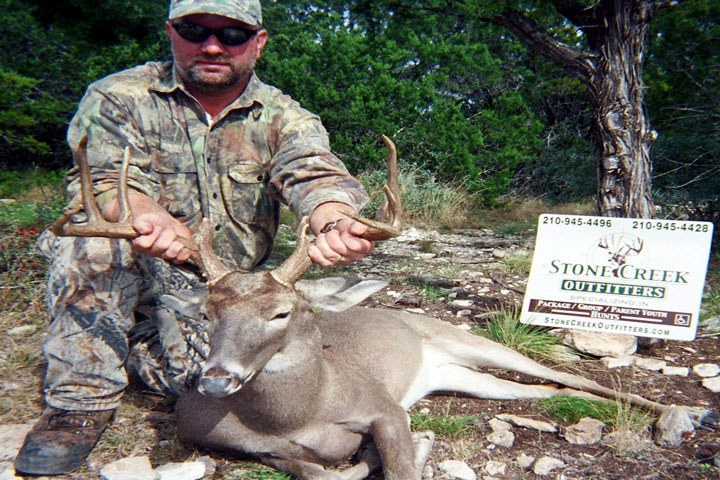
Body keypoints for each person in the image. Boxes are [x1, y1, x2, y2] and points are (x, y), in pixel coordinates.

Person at [14, 0, 375, 475]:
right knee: (90, 243)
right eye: (195, 30)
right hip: (136, 259)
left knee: (202, 382)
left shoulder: (286, 117)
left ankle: (130, 342)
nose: (212, 45)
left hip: (222, 295)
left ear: (258, 43)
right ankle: (79, 403)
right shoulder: (119, 97)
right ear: (171, 32)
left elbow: (313, 174)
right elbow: (102, 179)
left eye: (232, 35)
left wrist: (333, 220)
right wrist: (145, 216)